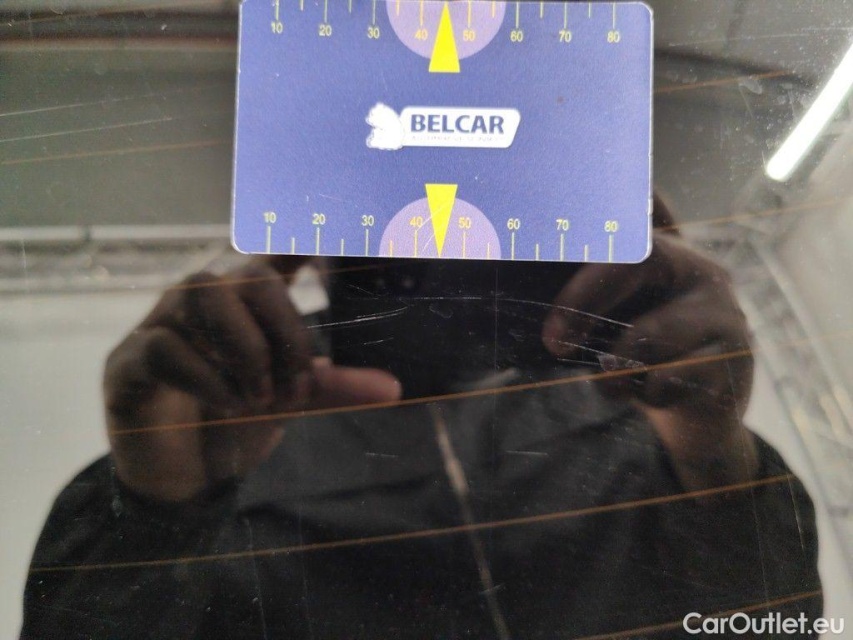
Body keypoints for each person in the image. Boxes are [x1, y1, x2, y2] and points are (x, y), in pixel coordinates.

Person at [22, 197, 821, 639]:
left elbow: (777, 627)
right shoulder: (237, 417)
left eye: (479, 191)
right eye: (377, 198)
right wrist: (152, 510)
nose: (435, 232)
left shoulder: (628, 403)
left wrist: (713, 460)